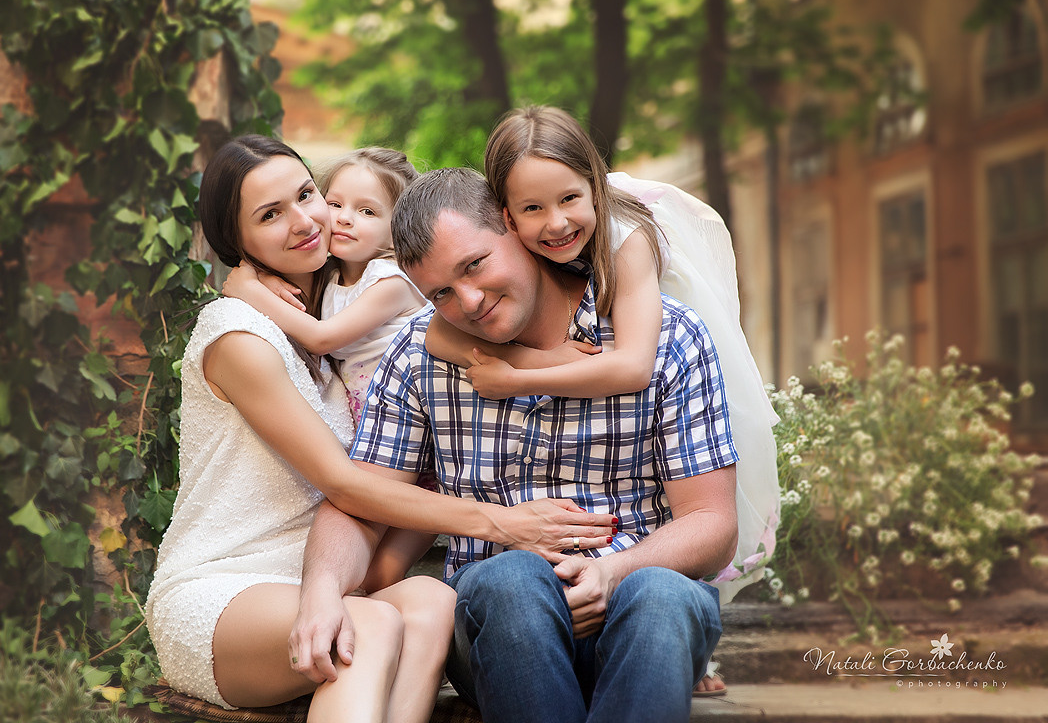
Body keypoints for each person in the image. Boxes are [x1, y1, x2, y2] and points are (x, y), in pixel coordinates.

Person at [144, 137, 616, 723]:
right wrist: (503, 523)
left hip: (319, 582)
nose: (306, 221)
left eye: (306, 195)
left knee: (431, 601)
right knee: (366, 623)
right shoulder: (237, 334)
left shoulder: (338, 332)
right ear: (236, 242)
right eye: (270, 215)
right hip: (224, 591)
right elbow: (343, 482)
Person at [289, 167, 740, 723]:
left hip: (644, 620)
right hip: (494, 632)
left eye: (474, 265)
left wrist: (612, 573)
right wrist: (322, 589)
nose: (470, 301)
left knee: (660, 596)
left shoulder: (663, 338)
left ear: (512, 225)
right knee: (513, 577)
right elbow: (360, 500)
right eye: (442, 294)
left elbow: (713, 523)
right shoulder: (416, 356)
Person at [427, 106, 783, 693]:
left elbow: (633, 366)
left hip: (636, 574)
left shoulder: (629, 245)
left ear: (594, 184)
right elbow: (434, 334)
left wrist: (522, 375)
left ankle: (677, 639)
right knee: (513, 581)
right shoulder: (474, 303)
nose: (557, 223)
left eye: (569, 199)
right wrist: (531, 356)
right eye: (532, 209)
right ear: (505, 218)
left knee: (661, 596)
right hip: (505, 608)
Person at [220, 146, 441, 590]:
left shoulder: (392, 280)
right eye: (335, 203)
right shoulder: (336, 278)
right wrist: (265, 278)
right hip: (378, 447)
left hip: (425, 442)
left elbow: (321, 338)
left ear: (400, 229)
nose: (342, 218)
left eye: (366, 211)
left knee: (386, 571)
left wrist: (247, 288)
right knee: (370, 574)